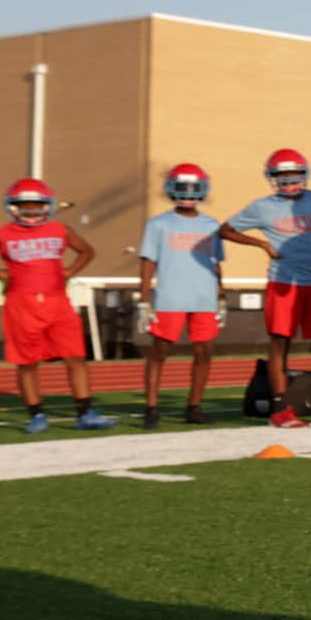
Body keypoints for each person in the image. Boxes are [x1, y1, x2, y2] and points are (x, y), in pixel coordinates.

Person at [0, 179, 114, 433]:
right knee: (27, 363)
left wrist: (70, 271)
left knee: (75, 357)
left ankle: (86, 413)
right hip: (22, 304)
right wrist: (0, 273)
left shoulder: (60, 229)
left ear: (48, 206)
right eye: (24, 204)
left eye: (37, 204)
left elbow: (87, 251)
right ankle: (37, 415)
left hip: (58, 302)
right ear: (12, 206)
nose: (31, 210)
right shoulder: (1, 234)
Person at [222, 150, 311, 427]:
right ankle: (280, 408)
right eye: (281, 174)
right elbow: (225, 230)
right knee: (279, 345)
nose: (288, 179)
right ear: (271, 176)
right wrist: (262, 244)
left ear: (305, 173)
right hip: (283, 282)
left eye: (293, 173)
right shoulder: (262, 206)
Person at [135, 164, 226, 428]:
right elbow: (148, 262)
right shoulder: (158, 224)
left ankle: (194, 406)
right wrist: (143, 298)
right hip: (169, 298)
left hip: (204, 299)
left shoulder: (211, 225)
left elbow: (216, 262)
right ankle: (151, 407)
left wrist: (221, 295)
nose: (187, 193)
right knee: (159, 352)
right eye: (182, 187)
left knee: (204, 352)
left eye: (193, 188)